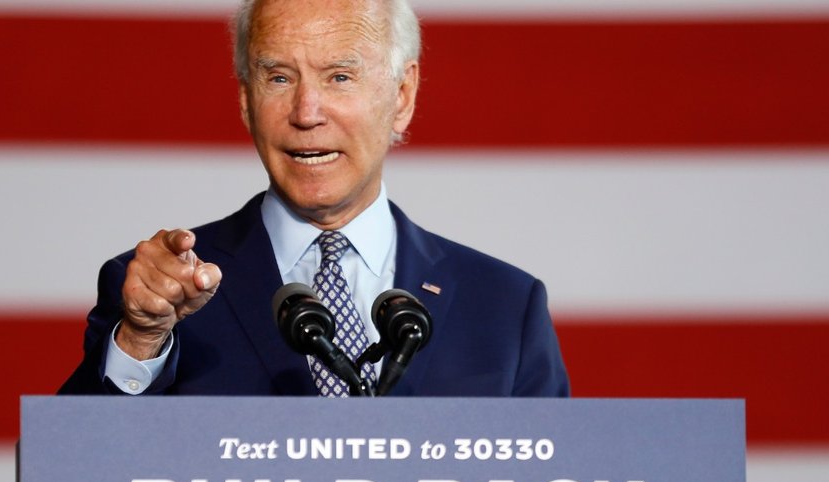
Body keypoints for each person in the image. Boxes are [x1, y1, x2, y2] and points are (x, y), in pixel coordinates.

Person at [58, 0, 569, 399]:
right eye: (278, 77)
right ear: (245, 100)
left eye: (339, 77)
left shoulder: (504, 308)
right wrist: (141, 340)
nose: (306, 112)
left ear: (402, 95)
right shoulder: (157, 295)